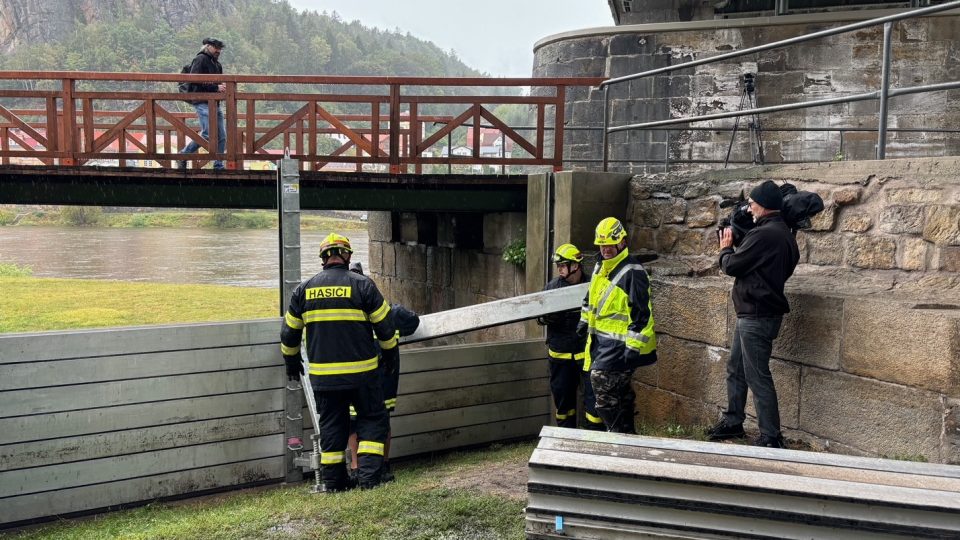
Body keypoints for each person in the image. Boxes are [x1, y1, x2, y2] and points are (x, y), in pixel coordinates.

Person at [280, 233, 397, 491]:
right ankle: (369, 479)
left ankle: (334, 483)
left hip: (324, 379)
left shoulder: (304, 290)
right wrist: (389, 354)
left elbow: (289, 333)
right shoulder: (363, 286)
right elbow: (386, 328)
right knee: (372, 421)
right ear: (348, 256)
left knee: (332, 427)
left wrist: (291, 361)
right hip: (363, 376)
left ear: (323, 258)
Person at [708, 180, 800, 449]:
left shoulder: (765, 235)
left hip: (757, 316)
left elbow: (733, 265)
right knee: (736, 367)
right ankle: (733, 421)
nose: (749, 209)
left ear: (765, 205)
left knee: (757, 375)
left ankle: (771, 436)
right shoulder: (784, 233)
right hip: (754, 313)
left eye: (752, 203)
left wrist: (725, 248)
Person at [578, 218, 657, 434]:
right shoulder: (600, 267)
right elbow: (591, 298)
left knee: (601, 386)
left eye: (610, 245)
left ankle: (617, 433)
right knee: (619, 393)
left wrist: (633, 346)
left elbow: (642, 314)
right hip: (600, 341)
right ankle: (627, 435)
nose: (606, 250)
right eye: (602, 245)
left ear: (621, 242)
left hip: (620, 346)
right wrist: (583, 321)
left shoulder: (632, 272)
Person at [345, 261, 420, 484]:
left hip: (354, 379)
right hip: (384, 382)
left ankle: (357, 468)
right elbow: (413, 321)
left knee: (353, 424)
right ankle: (383, 467)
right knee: (381, 424)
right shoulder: (390, 312)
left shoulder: (346, 318)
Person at [537, 244, 604, 431]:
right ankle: (566, 439)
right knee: (563, 404)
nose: (559, 269)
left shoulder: (592, 285)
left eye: (563, 265)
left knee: (594, 401)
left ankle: (593, 441)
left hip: (587, 355)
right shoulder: (552, 288)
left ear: (576, 265)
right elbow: (538, 316)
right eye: (558, 266)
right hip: (560, 356)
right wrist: (546, 317)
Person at [178, 37, 227, 170]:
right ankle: (183, 155)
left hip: (215, 102)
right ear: (208, 46)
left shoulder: (217, 64)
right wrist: (216, 88)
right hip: (202, 101)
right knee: (207, 133)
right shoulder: (200, 59)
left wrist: (221, 87)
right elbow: (194, 80)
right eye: (216, 47)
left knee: (222, 136)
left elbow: (218, 82)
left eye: (220, 48)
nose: (218, 50)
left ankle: (218, 164)